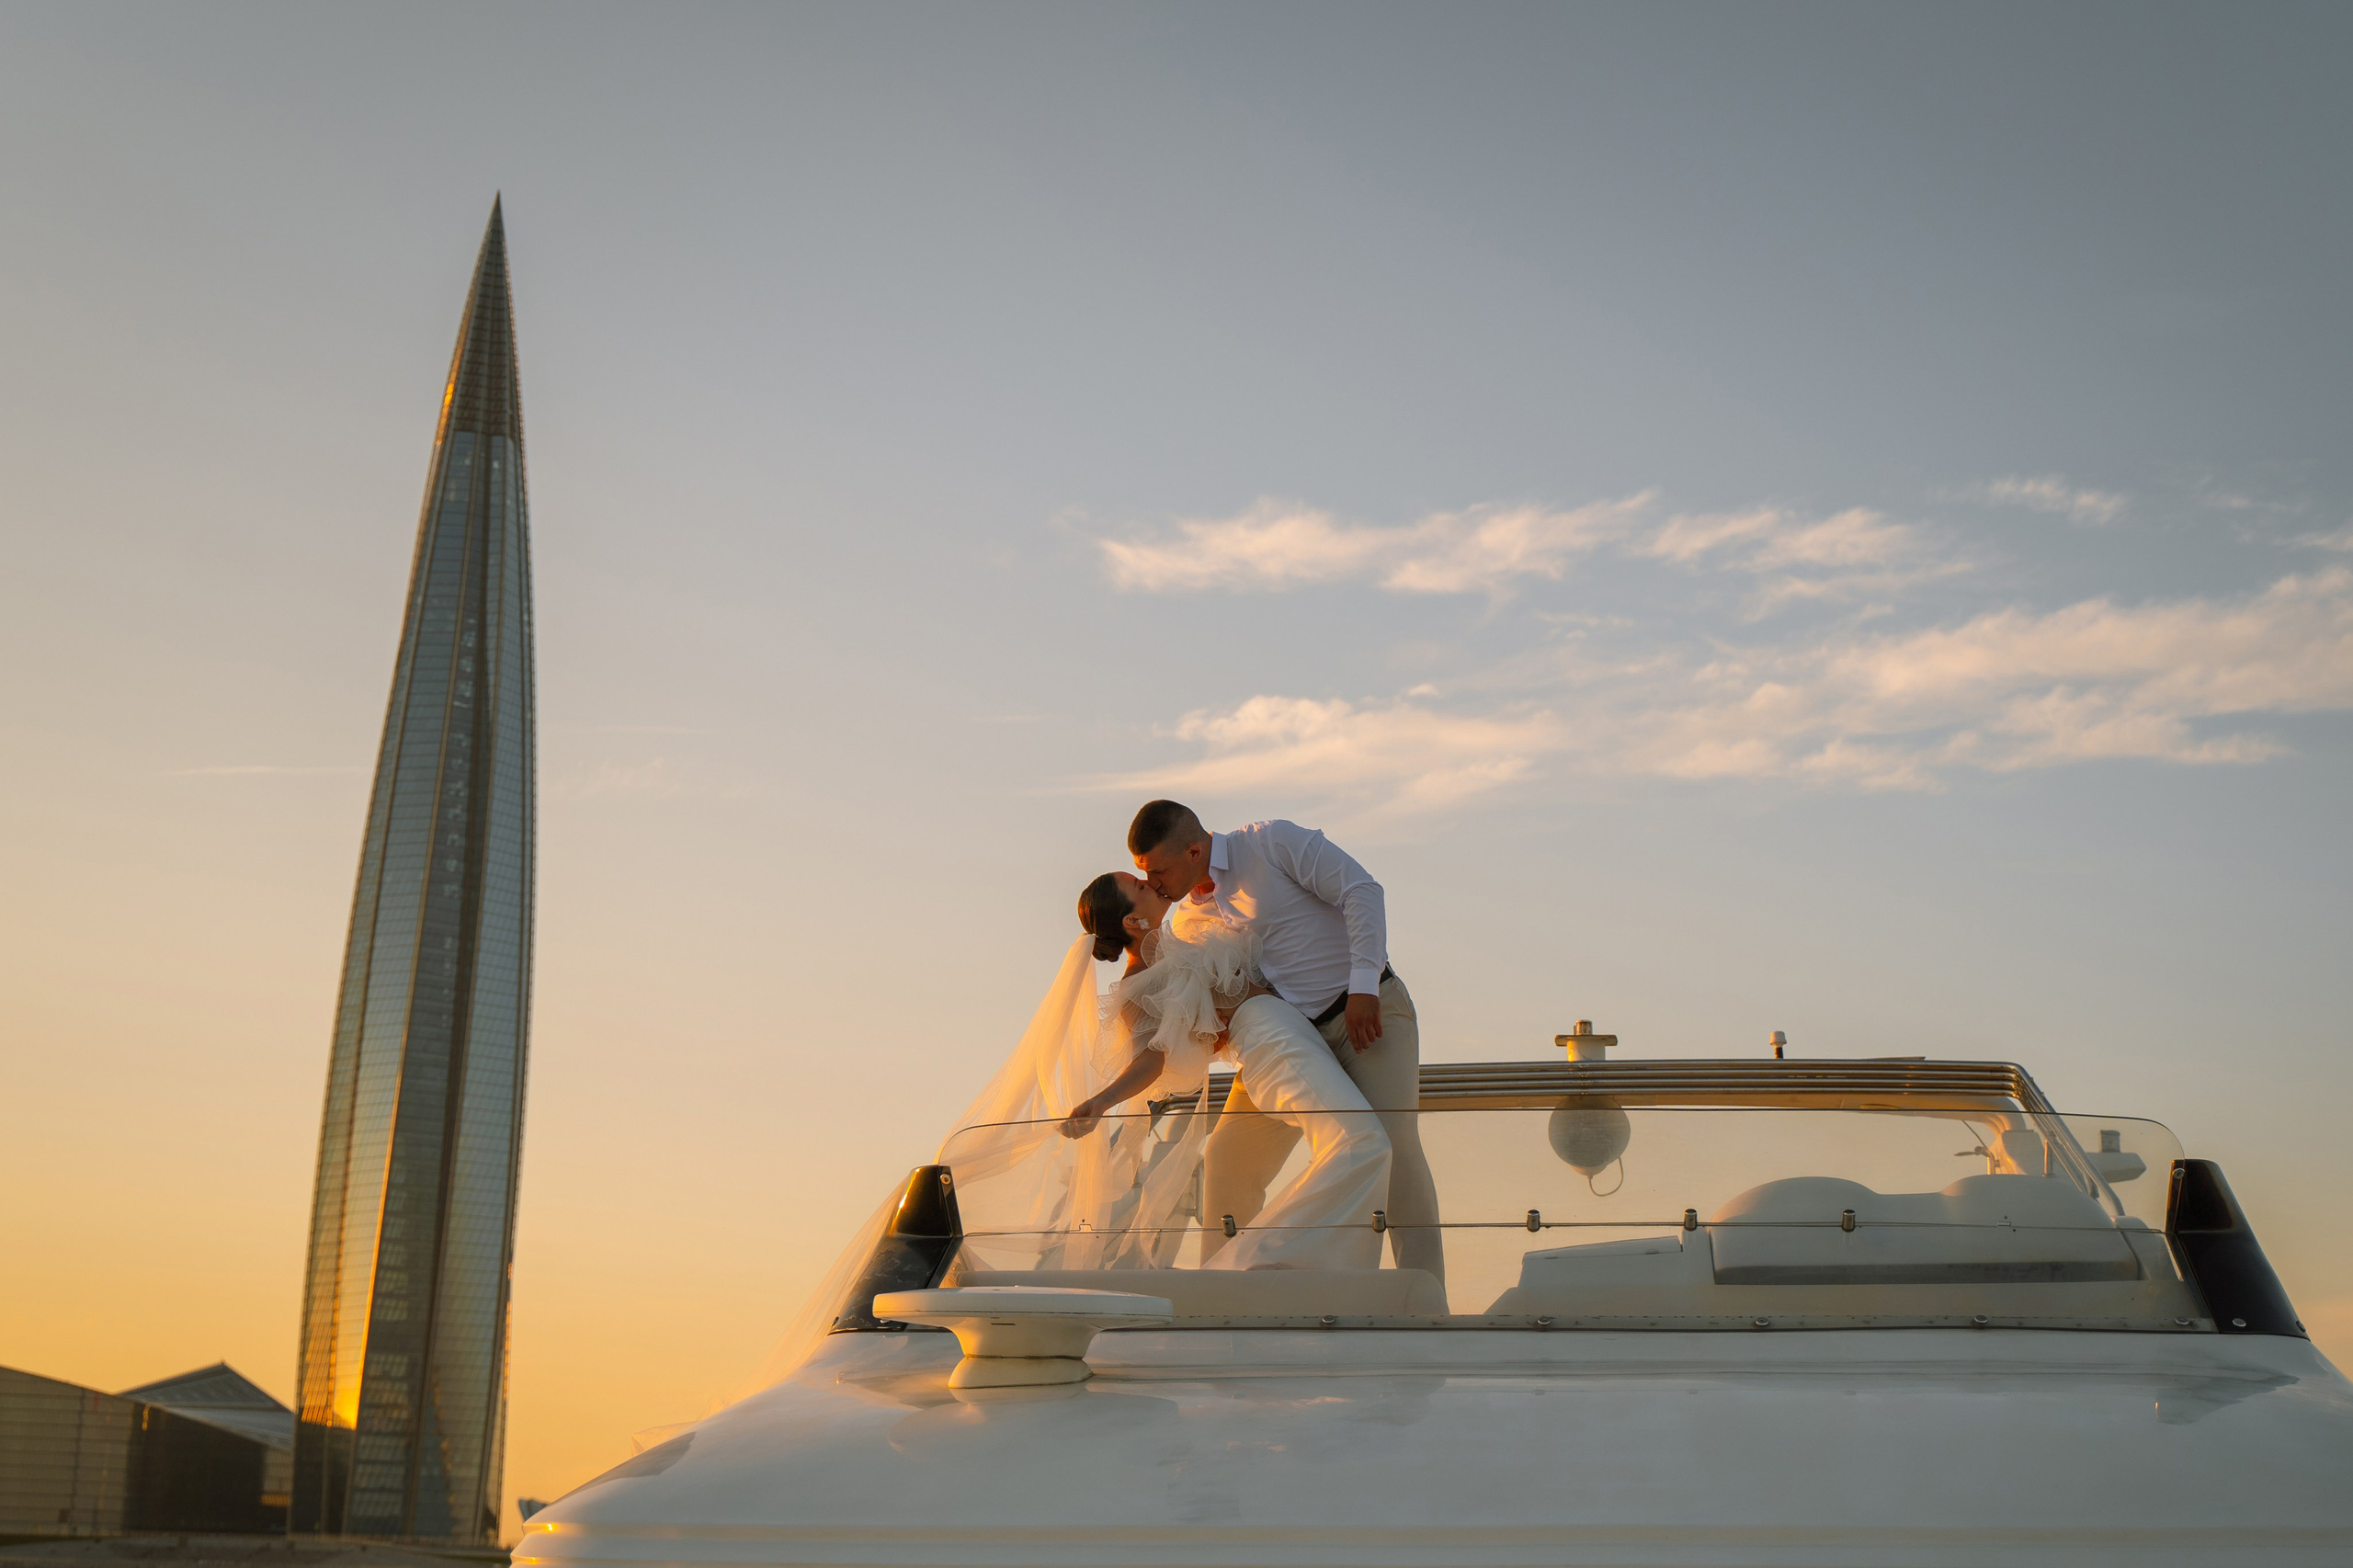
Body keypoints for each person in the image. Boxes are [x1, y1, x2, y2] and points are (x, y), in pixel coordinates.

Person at [1130, 800, 1444, 1286]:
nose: (1153, 885)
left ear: (1194, 851)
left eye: (1159, 871)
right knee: (1227, 1159)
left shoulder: (1272, 842)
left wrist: (1363, 985)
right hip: (1289, 1045)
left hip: (1366, 1016)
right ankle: (1222, 1294)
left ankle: (1428, 1301)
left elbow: (1362, 891)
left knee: (1395, 1153)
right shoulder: (1184, 925)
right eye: (1144, 875)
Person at [1063, 871, 1391, 1272]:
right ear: (1132, 921)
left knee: (1230, 1163)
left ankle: (1229, 1275)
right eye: (1140, 887)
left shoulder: (1186, 938)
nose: (1152, 883)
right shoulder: (1138, 988)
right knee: (1362, 1143)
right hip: (1270, 1044)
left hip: (1286, 1038)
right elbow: (1150, 1059)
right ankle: (1248, 1268)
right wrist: (1102, 1101)